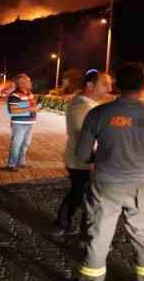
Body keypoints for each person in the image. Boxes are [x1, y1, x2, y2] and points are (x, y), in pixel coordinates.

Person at [74, 62, 144, 281]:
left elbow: (82, 154)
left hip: (105, 185)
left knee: (99, 238)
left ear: (117, 86)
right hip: (143, 188)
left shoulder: (97, 114)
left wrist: (100, 159)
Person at [52, 71, 112, 237]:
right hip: (82, 159)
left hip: (84, 158)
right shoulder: (82, 105)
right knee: (80, 193)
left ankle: (64, 223)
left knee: (79, 192)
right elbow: (82, 134)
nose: (110, 88)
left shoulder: (88, 103)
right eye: (105, 84)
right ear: (90, 85)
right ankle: (64, 224)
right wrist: (93, 160)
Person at [6, 74, 38, 171]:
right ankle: (11, 164)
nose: (30, 83)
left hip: (30, 122)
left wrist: (34, 107)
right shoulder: (14, 95)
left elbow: (27, 106)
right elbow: (12, 110)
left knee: (25, 144)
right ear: (21, 83)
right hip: (19, 123)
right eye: (28, 81)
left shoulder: (29, 93)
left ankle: (21, 162)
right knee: (16, 144)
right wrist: (30, 108)